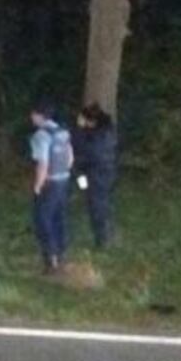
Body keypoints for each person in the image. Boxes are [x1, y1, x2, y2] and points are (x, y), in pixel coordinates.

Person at [29, 99, 74, 275]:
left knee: (43, 220)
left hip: (50, 183)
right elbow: (70, 158)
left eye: (33, 114)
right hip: (64, 180)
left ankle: (51, 260)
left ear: (39, 115)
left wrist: (38, 186)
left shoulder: (41, 135)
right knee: (59, 217)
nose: (31, 117)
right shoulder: (63, 132)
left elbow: (43, 163)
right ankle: (62, 254)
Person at [73, 103, 118, 248]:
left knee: (97, 205)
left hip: (94, 174)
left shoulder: (96, 136)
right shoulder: (107, 132)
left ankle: (103, 239)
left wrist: (79, 130)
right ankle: (106, 235)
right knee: (99, 202)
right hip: (102, 173)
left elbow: (83, 151)